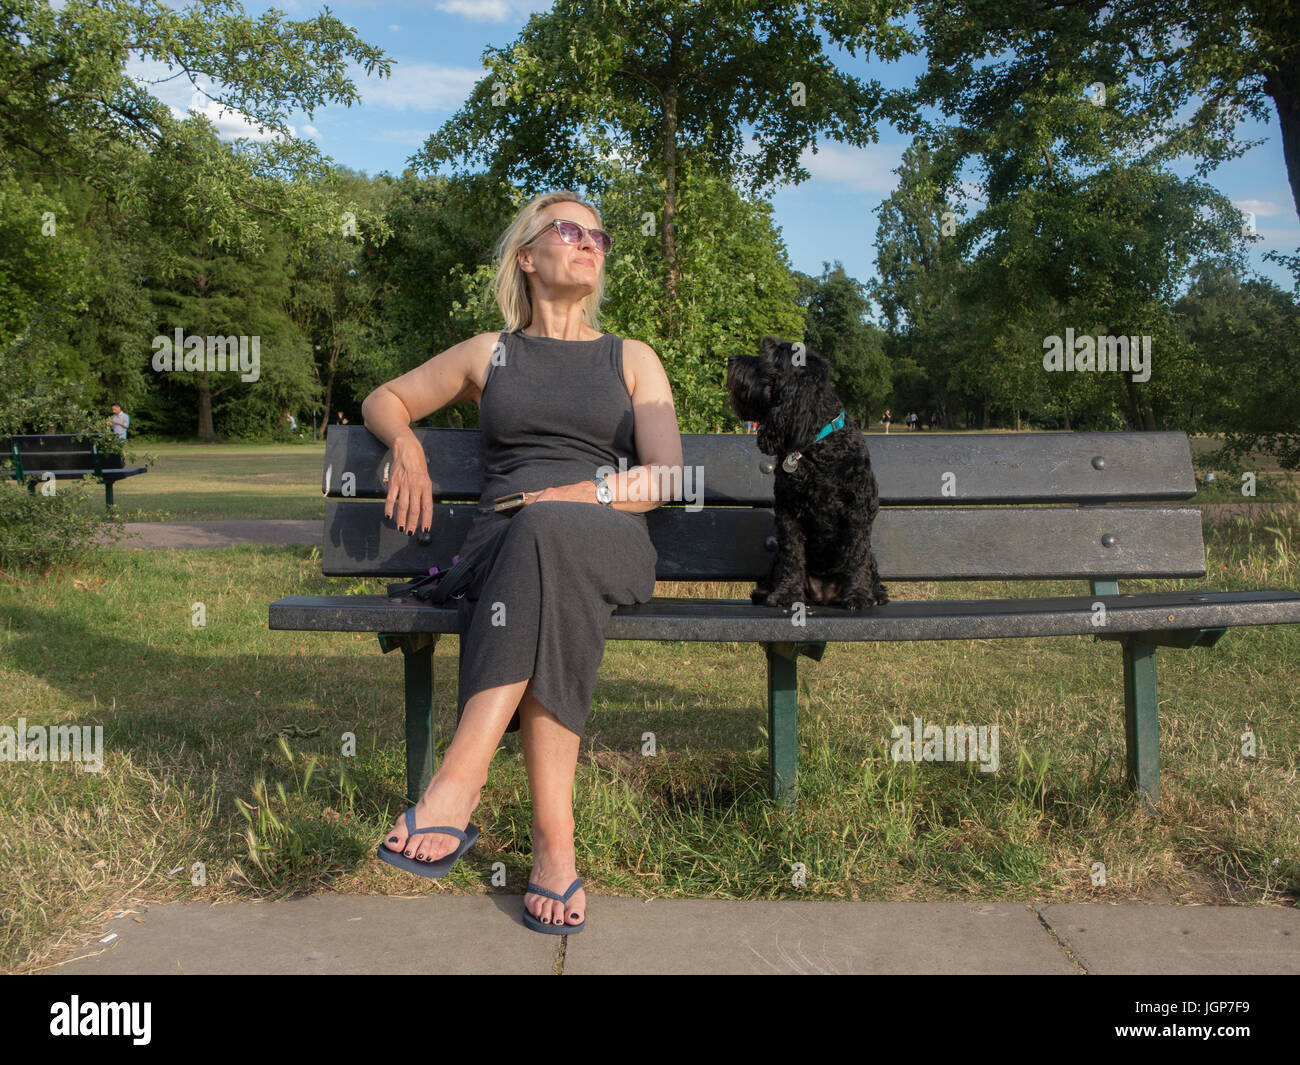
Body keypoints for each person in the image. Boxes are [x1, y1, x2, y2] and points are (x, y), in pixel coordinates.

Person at [362, 190, 683, 933]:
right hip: (507, 547)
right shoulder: (489, 352)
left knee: (552, 527)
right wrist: (405, 443)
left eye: (598, 234)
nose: (589, 242)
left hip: (608, 534)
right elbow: (385, 397)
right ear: (526, 256)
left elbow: (667, 475)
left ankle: (461, 778)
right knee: (541, 546)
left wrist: (581, 491)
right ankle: (553, 846)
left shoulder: (631, 357)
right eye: (568, 230)